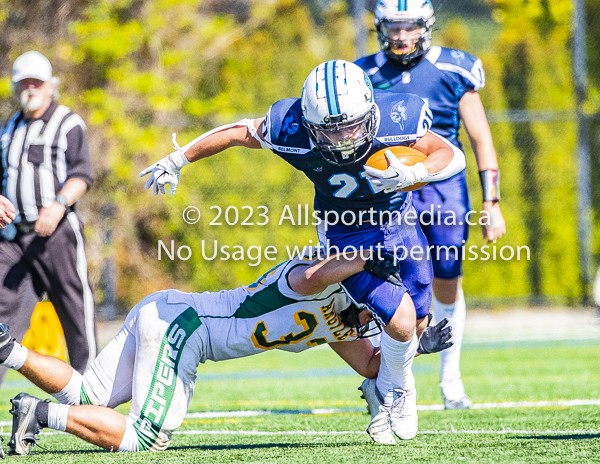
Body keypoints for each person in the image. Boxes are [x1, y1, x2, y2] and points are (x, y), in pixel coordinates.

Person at [139, 59, 466, 443]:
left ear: (370, 107)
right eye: (331, 131)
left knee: (418, 323)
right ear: (310, 125)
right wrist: (180, 158)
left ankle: (386, 388)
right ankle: (400, 394)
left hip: (398, 225)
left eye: (351, 126)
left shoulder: (397, 115)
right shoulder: (289, 126)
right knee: (402, 320)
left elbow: (450, 155)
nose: (343, 138)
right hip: (344, 235)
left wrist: (417, 173)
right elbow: (237, 132)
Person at [2, 250, 452, 454]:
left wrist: (411, 347)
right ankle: (38, 414)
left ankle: (7, 351)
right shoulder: (316, 276)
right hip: (187, 327)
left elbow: (374, 366)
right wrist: (369, 257)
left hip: (167, 311)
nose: (373, 320)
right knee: (145, 437)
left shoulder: (340, 325)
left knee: (89, 400)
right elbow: (314, 276)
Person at [355, 0, 507, 409]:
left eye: (409, 27)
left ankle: (450, 379)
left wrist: (491, 201)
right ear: (380, 28)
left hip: (442, 186)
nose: (401, 36)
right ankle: (382, 380)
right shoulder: (364, 74)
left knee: (445, 279)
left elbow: (480, 139)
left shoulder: (454, 68)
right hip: (386, 186)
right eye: (393, 27)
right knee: (378, 279)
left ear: (425, 26)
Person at [0, 51, 97, 384]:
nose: (31, 88)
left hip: (56, 236)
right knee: (3, 316)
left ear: (50, 86)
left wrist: (57, 205)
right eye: (24, 82)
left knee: (75, 312)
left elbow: (82, 173)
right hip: (14, 239)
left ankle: (94, 391)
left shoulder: (67, 122)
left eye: (36, 82)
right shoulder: (9, 128)